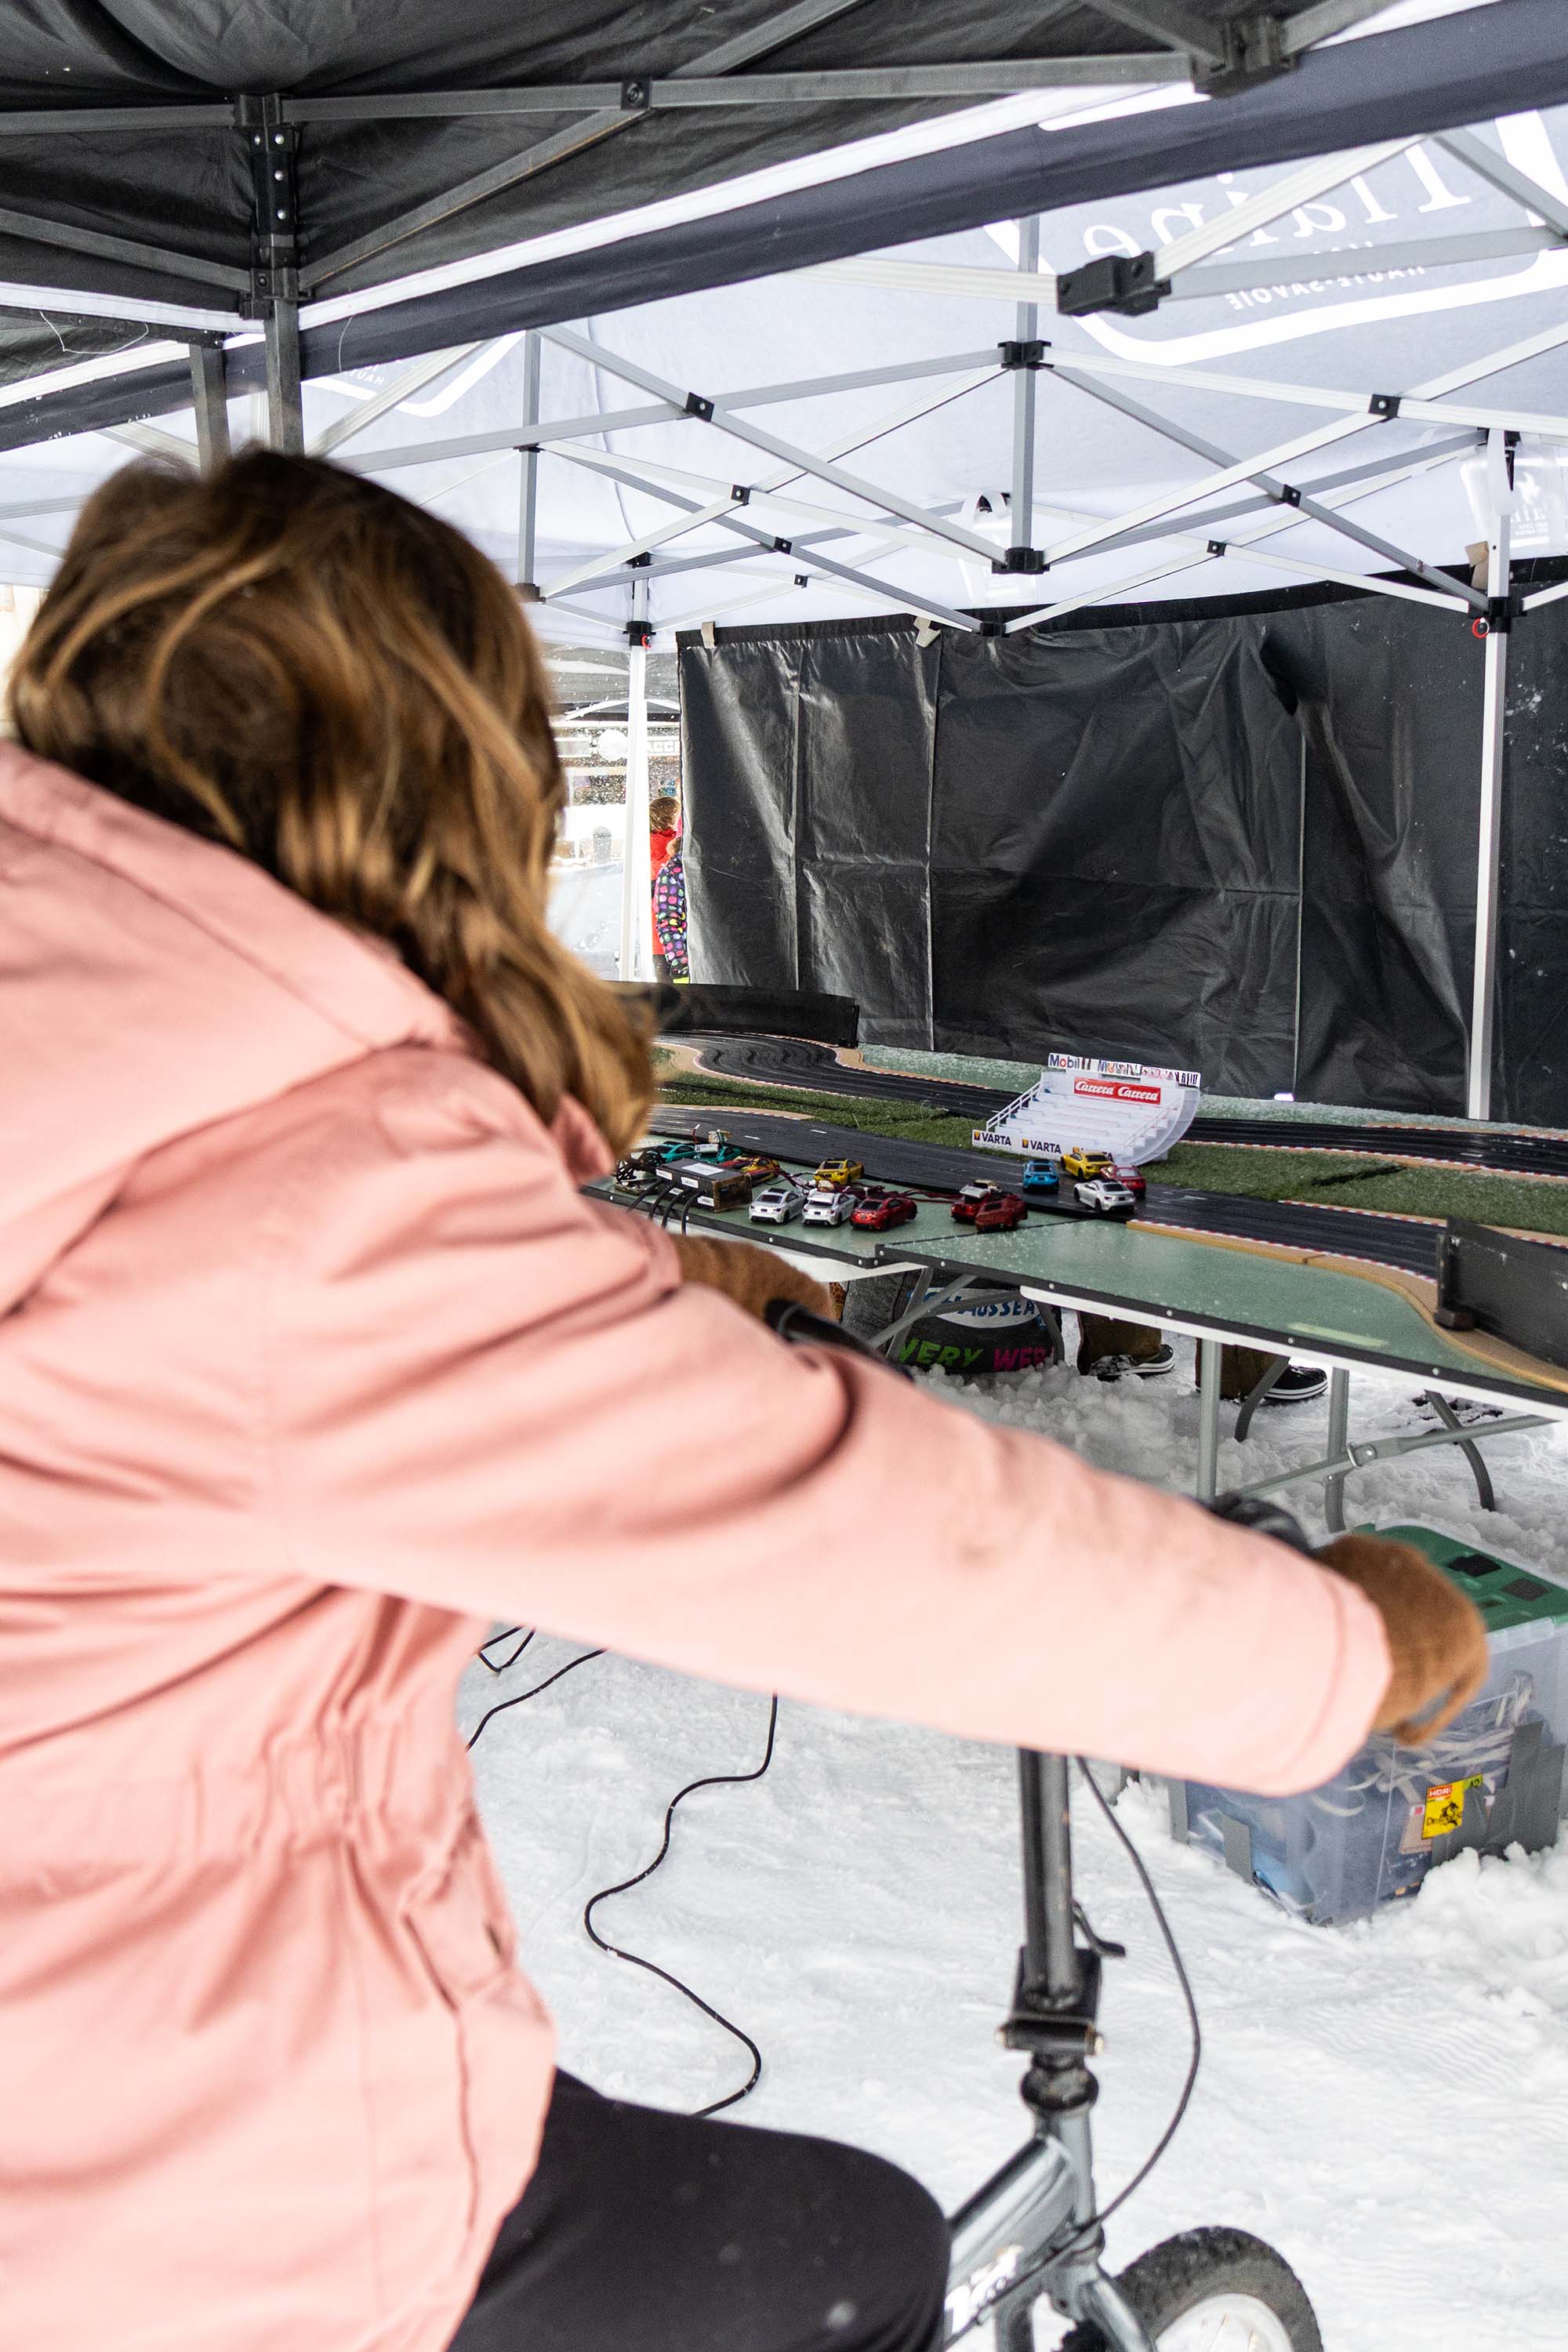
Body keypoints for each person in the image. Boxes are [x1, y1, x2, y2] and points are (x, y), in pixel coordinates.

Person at [0, 452, 1487, 2352]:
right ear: (456, 766)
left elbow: (217, 1370)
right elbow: (893, 1556)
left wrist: (647, 1283)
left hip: (96, 2035)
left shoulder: (99, 1034)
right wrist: (1338, 1652)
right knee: (843, 2253)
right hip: (166, 2169)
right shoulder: (310, 1176)